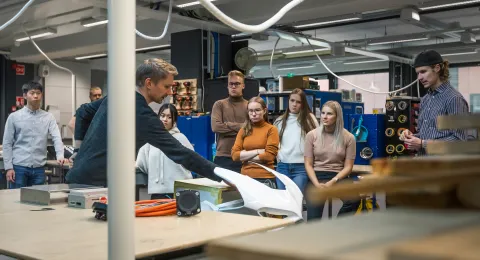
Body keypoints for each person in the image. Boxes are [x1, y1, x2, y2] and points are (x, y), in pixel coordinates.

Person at [65, 58, 223, 187]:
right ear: (149, 83)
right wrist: (222, 175)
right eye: (166, 86)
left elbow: (83, 112)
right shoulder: (140, 112)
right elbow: (179, 152)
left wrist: (78, 150)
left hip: (79, 177)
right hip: (94, 185)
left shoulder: (118, 96)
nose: (169, 92)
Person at [400, 50, 469, 154]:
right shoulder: (425, 100)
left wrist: (423, 143)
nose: (419, 77)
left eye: (423, 72)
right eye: (418, 73)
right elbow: (425, 135)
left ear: (437, 68)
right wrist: (411, 137)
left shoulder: (454, 99)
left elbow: (459, 141)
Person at [2, 81, 68, 189]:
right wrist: (8, 168)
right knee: (14, 200)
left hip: (39, 168)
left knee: (37, 202)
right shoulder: (14, 117)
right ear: (25, 95)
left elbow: (56, 137)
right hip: (19, 167)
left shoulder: (49, 117)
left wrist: (60, 155)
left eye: (38, 93)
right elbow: (7, 143)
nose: (35, 96)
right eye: (32, 93)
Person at [304, 101, 359, 220]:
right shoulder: (311, 135)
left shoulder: (349, 137)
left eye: (329, 114)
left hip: (338, 177)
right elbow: (308, 164)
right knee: (314, 220)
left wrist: (333, 181)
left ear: (337, 116)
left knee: (353, 199)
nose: (324, 116)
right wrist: (317, 184)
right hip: (316, 176)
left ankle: (336, 228)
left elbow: (348, 167)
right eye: (323, 113)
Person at [136, 104, 194, 200]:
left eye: (169, 117)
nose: (165, 119)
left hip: (179, 192)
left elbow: (191, 162)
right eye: (162, 115)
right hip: (157, 193)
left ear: (174, 121)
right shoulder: (151, 140)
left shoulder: (181, 138)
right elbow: (141, 164)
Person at [273, 88, 318, 194]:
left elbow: (317, 142)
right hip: (283, 166)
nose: (294, 104)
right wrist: (278, 155)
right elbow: (274, 143)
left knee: (296, 199)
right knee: (283, 201)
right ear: (288, 101)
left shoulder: (310, 119)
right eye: (292, 101)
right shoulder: (279, 121)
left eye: (298, 102)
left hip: (301, 167)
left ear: (303, 104)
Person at [231, 97, 279, 188]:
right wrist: (257, 151)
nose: (253, 114)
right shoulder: (243, 130)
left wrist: (245, 156)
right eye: (251, 111)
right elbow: (235, 155)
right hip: (246, 177)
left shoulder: (271, 129)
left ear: (264, 111)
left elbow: (269, 156)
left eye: (257, 110)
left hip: (265, 177)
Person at [211, 70, 248, 173]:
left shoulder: (249, 106)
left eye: (237, 84)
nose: (233, 86)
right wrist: (241, 128)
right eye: (231, 84)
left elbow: (251, 129)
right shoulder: (219, 105)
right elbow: (216, 127)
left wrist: (229, 124)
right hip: (223, 157)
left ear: (243, 86)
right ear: (227, 86)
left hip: (243, 156)